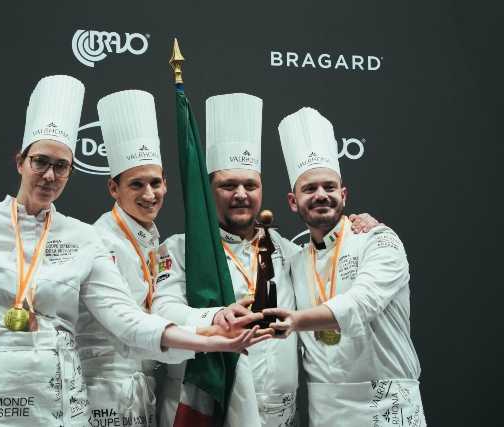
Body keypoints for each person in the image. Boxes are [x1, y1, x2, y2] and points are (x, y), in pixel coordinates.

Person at [0, 76, 269, 427]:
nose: (49, 175)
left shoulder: (82, 238)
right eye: (40, 161)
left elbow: (127, 321)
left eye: (61, 166)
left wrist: (211, 340)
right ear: (20, 162)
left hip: (59, 410)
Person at [152, 94, 378, 426]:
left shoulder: (287, 251)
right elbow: (162, 311)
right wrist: (216, 316)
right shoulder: (181, 249)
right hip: (209, 404)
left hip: (280, 412)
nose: (241, 194)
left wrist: (357, 222)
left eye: (250, 185)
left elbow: (328, 251)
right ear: (208, 190)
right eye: (228, 185)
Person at [76, 89, 262, 427]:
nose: (149, 195)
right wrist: (210, 335)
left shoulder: (152, 241)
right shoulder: (96, 240)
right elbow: (127, 323)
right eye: (136, 185)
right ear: (113, 189)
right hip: (97, 391)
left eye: (155, 183)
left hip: (143, 392)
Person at [265, 107, 426, 427]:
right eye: (309, 189)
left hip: (388, 410)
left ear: (343, 194)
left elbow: (362, 302)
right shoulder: (294, 260)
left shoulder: (379, 240)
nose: (321, 195)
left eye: (328, 186)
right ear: (292, 202)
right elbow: (248, 236)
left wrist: (296, 320)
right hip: (327, 414)